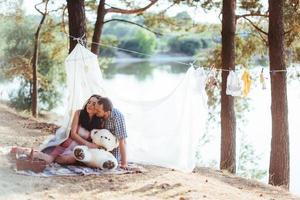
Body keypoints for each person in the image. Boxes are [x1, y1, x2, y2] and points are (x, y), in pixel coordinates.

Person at [15, 94, 102, 165]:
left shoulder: (99, 122)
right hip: (67, 144)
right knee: (49, 160)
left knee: (69, 159)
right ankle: (21, 151)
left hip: (78, 149)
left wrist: (92, 146)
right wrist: (87, 143)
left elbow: (97, 141)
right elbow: (73, 134)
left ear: (98, 108)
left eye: (93, 104)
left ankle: (46, 156)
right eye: (89, 102)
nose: (89, 105)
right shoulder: (79, 113)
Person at [95, 97, 128, 169]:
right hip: (101, 142)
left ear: (106, 112)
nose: (96, 111)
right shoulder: (99, 115)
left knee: (112, 161)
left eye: (98, 110)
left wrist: (124, 163)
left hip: (114, 144)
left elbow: (122, 141)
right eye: (96, 109)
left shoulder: (117, 117)